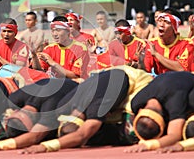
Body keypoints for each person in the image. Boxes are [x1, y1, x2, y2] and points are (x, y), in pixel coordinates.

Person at [20, 66, 153, 154]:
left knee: (136, 131)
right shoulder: (63, 106)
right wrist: (2, 145)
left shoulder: (97, 106)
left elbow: (82, 135)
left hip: (134, 83)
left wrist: (45, 147)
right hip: (105, 83)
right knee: (95, 130)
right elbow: (36, 135)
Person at [0, 77, 79, 152]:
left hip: (76, 89)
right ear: (14, 112)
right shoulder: (15, 98)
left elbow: (35, 137)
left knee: (63, 132)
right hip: (60, 82)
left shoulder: (49, 107)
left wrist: (1, 145)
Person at [124, 71, 194, 153]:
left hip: (191, 83)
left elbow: (175, 135)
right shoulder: (136, 102)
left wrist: (150, 145)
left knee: (192, 128)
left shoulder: (174, 104)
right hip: (172, 79)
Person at [142, 8, 194, 74]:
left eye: (167, 22)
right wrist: (139, 63)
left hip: (179, 82)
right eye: (160, 21)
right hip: (159, 82)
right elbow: (147, 70)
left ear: (174, 27)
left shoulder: (187, 44)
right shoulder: (152, 44)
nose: (161, 25)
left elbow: (182, 68)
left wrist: (156, 54)